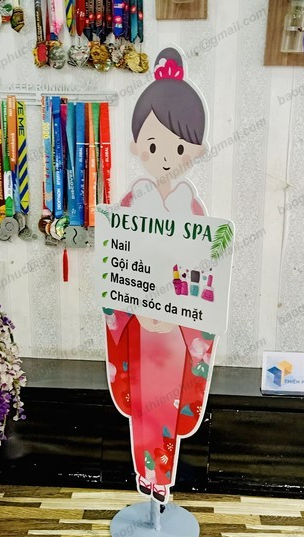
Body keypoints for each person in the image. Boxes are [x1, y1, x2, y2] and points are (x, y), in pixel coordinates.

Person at [104, 48, 216, 504]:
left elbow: (205, 275)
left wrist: (177, 313)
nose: (165, 157)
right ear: (137, 146)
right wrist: (135, 306)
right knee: (141, 401)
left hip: (177, 330)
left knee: (168, 398)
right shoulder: (129, 206)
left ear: (195, 151)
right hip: (138, 326)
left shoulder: (193, 210)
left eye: (178, 148)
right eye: (153, 146)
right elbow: (115, 266)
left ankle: (161, 476)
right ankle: (145, 472)